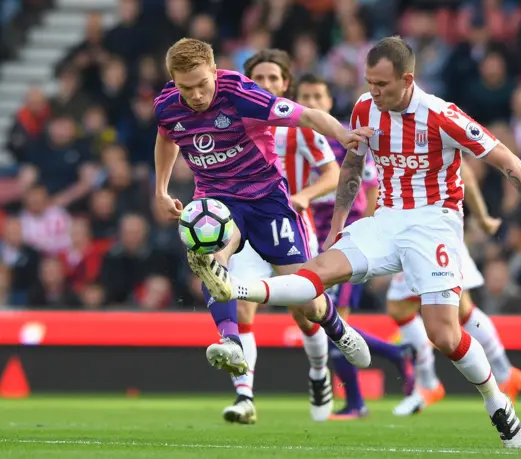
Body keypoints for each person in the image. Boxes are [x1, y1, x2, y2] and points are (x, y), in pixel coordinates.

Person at [199, 36, 521, 448]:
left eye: (382, 84)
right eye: (369, 82)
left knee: (444, 336)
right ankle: (236, 287)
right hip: (386, 219)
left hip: (433, 224)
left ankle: (496, 400)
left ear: (408, 79)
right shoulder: (366, 106)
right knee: (316, 274)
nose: (374, 92)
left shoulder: (441, 115)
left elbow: (507, 160)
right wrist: (337, 227)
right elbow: (353, 166)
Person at [154, 37, 374, 408]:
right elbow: (166, 138)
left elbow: (306, 115)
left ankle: (337, 328)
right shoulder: (166, 106)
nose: (194, 95)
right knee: (209, 256)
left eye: (201, 84)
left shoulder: (240, 93)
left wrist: (341, 133)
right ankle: (230, 341)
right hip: (217, 199)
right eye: (184, 87)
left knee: (306, 295)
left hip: (268, 200)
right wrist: (160, 189)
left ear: (214, 71)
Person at [220, 49, 340, 425]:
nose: (267, 85)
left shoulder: (296, 124)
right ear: (246, 81)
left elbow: (332, 173)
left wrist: (304, 195)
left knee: (305, 312)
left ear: (285, 83)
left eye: (275, 79)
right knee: (241, 306)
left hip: (288, 221)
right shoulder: (232, 121)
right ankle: (244, 397)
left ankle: (319, 371)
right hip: (247, 221)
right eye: (260, 78)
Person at [297, 73, 418, 419]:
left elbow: (369, 188)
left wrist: (375, 233)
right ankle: (396, 355)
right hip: (308, 237)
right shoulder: (289, 140)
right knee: (326, 319)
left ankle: (356, 402)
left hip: (343, 241)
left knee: (333, 321)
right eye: (305, 96)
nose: (312, 102)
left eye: (318, 96)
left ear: (329, 102)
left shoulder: (344, 141)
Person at [386, 161, 521, 411]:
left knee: (456, 308)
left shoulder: (431, 127)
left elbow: (466, 174)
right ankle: (502, 374)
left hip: (432, 231)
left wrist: (482, 217)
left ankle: (434, 383)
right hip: (412, 230)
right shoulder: (397, 133)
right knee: (420, 308)